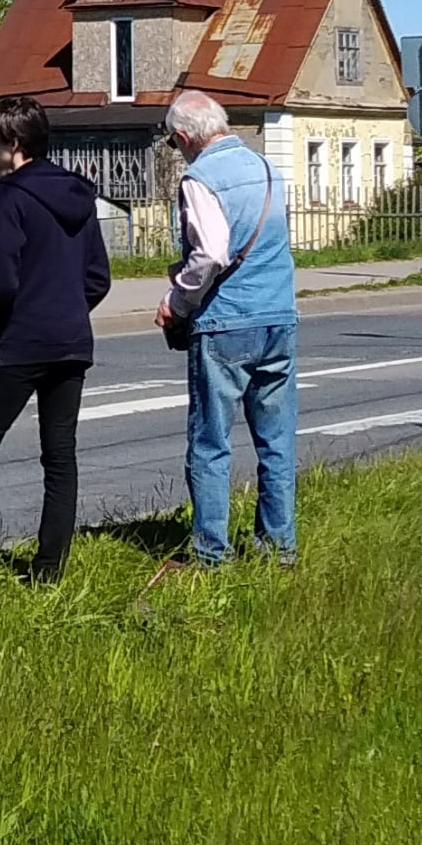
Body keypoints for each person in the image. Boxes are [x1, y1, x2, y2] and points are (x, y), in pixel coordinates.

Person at [0, 96, 110, 584]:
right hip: (73, 340)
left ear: (13, 143)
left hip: (22, 341)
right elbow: (98, 277)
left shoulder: (9, 196)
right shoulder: (80, 193)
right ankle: (49, 571)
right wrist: (67, 312)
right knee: (59, 454)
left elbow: (3, 282)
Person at [155, 90, 297, 568]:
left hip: (226, 322)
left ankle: (211, 553)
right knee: (275, 440)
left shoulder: (200, 178)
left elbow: (211, 253)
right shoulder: (267, 168)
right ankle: (279, 548)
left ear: (182, 138)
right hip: (279, 315)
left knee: (211, 442)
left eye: (174, 146)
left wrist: (176, 302)